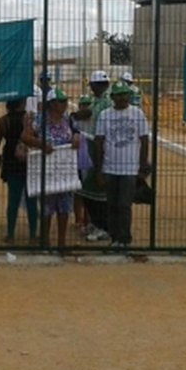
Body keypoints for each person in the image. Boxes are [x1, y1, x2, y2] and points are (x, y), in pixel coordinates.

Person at [22, 88, 81, 249]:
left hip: (64, 170)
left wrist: (76, 137)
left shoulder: (67, 120)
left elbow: (76, 133)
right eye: (61, 101)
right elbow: (25, 137)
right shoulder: (40, 120)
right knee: (47, 208)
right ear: (52, 104)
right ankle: (45, 240)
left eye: (65, 101)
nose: (64, 104)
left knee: (64, 207)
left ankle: (61, 241)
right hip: (47, 170)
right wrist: (41, 144)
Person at [94, 82, 150, 249]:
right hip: (110, 167)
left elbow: (144, 140)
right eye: (118, 94)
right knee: (112, 205)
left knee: (124, 205)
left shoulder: (137, 114)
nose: (122, 97)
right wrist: (99, 170)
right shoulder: (105, 115)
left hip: (130, 168)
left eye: (124, 94)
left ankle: (125, 238)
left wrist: (142, 166)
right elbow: (99, 142)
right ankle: (115, 237)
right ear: (112, 97)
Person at [0, 98, 39, 243]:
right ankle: (32, 235)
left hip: (11, 161)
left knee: (13, 199)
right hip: (30, 161)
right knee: (32, 200)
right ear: (22, 103)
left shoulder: (3, 121)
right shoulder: (31, 119)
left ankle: (11, 234)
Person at [78, 70, 114, 242]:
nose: (91, 88)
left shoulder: (107, 103)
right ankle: (95, 223)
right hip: (92, 146)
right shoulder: (98, 101)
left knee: (99, 191)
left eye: (92, 85)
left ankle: (104, 227)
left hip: (101, 148)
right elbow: (88, 113)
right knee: (88, 190)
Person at [72, 94, 95, 230]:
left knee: (89, 193)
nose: (85, 107)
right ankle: (78, 219)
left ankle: (88, 219)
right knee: (78, 193)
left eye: (88, 104)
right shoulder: (75, 121)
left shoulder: (95, 120)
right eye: (83, 105)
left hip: (91, 161)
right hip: (78, 162)